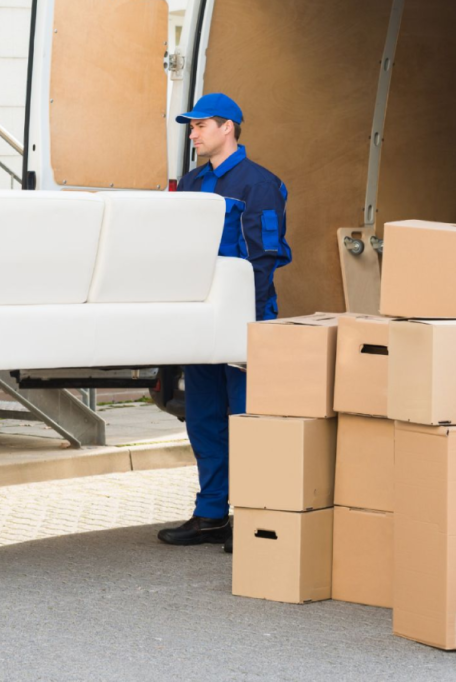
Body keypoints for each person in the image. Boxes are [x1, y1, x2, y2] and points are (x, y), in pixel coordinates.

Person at [157, 93, 292, 552]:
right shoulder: (192, 182)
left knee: (245, 419)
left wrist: (247, 324)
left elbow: (266, 257)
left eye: (200, 126)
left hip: (244, 320)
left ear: (228, 127)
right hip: (200, 320)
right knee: (204, 418)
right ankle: (211, 514)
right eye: (191, 126)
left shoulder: (260, 184)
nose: (192, 134)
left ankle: (253, 516)